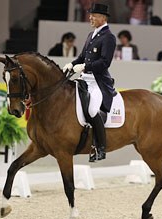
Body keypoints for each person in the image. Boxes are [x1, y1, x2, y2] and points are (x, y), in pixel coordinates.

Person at [63, 3, 116, 162]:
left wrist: (85, 66)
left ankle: (100, 147)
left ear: (103, 18)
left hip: (98, 81)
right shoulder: (91, 35)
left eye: (94, 15)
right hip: (84, 78)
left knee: (92, 110)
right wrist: (72, 64)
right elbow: (81, 57)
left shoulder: (109, 37)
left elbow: (105, 62)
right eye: (90, 15)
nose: (90, 18)